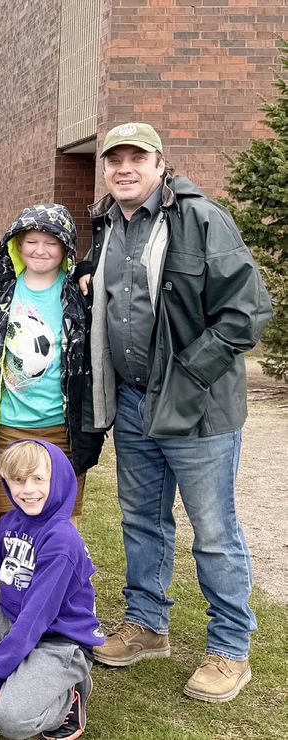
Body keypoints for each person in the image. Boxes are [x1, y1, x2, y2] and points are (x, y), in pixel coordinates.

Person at [77, 122, 271, 702]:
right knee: (142, 521)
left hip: (197, 408)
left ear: (161, 164)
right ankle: (147, 625)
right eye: (114, 160)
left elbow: (248, 310)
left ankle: (230, 648)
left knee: (213, 532)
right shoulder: (107, 225)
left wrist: (189, 375)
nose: (123, 169)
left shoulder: (201, 219)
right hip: (134, 404)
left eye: (137, 158)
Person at [0, 440, 103, 740]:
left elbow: (36, 618)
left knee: (10, 720)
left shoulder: (61, 541)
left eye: (38, 479)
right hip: (15, 623)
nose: (28, 489)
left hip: (57, 640)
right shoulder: (11, 522)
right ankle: (18, 672)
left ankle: (67, 699)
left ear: (57, 479)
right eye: (18, 480)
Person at [0, 204, 104, 526]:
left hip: (63, 425)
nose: (40, 250)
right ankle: (16, 576)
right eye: (31, 241)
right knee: (13, 513)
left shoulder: (79, 291)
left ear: (66, 248)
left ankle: (61, 574)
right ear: (17, 244)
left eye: (52, 242)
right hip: (10, 423)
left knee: (63, 516)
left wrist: (86, 268)